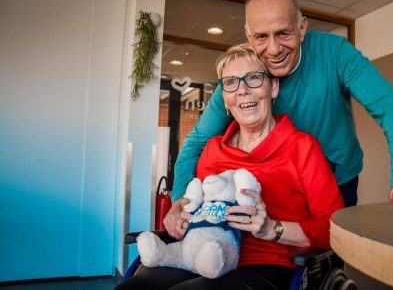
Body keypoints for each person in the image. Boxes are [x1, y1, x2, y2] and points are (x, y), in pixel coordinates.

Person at [166, 0, 393, 240]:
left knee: (333, 252)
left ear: (302, 28)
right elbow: (197, 142)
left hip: (337, 178)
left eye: (283, 33)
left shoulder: (335, 52)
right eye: (261, 37)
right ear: (248, 36)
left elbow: (390, 106)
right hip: (277, 184)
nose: (274, 49)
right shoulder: (245, 75)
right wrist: (180, 201)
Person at [117, 44, 344, 290]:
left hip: (270, 264)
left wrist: (272, 229)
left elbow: (335, 229)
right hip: (198, 255)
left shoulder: (303, 148)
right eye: (231, 83)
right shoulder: (213, 149)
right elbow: (196, 208)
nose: (243, 91)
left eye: (254, 78)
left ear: (274, 87)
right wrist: (177, 214)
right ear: (224, 98)